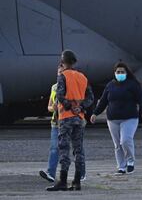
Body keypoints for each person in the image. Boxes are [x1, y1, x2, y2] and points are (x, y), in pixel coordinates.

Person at [47, 50, 94, 192]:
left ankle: (63, 180)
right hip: (79, 117)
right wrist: (80, 107)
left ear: (63, 62)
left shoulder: (63, 76)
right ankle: (77, 181)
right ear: (74, 62)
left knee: (64, 148)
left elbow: (60, 95)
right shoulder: (83, 77)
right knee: (78, 149)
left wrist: (69, 106)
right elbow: (90, 98)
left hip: (66, 117)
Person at [91, 62, 142, 174]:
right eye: (118, 72)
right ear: (114, 73)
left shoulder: (133, 84)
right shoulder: (110, 85)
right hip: (113, 119)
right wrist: (95, 113)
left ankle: (130, 161)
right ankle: (121, 166)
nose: (120, 74)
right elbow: (103, 101)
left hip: (129, 118)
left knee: (125, 140)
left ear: (126, 73)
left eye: (122, 72)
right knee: (117, 144)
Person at [39, 64, 64, 183]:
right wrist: (52, 108)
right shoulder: (54, 87)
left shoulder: (71, 86)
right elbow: (49, 106)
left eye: (63, 72)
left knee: (74, 148)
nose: (60, 75)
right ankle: (51, 174)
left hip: (68, 122)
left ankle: (81, 173)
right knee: (54, 148)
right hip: (56, 122)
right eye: (59, 72)